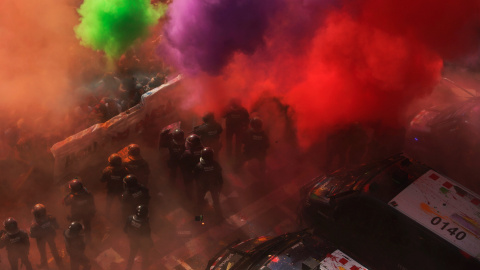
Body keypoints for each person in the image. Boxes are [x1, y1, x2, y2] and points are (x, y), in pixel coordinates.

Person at [29, 204, 63, 269]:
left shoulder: (34, 223)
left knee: (43, 252)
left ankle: (45, 265)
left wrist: (32, 232)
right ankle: (58, 263)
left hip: (40, 239)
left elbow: (32, 235)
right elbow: (56, 226)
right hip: (49, 236)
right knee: (53, 249)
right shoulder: (50, 217)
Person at [194, 147, 224, 218]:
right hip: (214, 185)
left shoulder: (199, 166)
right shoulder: (216, 164)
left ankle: (199, 220)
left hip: (203, 187)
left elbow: (196, 177)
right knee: (216, 201)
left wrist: (198, 187)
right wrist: (220, 187)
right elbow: (220, 177)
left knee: (200, 203)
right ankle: (219, 217)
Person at [124, 205, 153, 270]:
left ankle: (128, 268)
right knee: (145, 257)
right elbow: (147, 236)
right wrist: (151, 244)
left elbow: (125, 230)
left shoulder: (130, 218)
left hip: (133, 241)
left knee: (131, 255)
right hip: (142, 243)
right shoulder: (145, 224)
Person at [180, 134, 204, 199]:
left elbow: (182, 163)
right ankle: (200, 198)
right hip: (201, 171)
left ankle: (189, 197)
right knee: (200, 186)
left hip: (190, 172)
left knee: (189, 185)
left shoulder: (187, 153)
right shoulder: (204, 150)